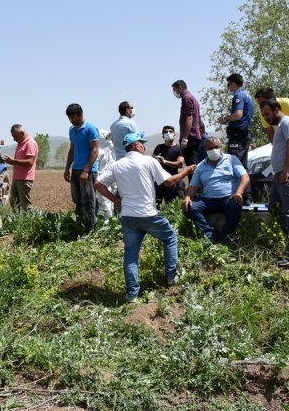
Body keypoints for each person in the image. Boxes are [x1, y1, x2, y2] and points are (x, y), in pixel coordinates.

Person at [94, 132, 196, 302]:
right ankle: (171, 278)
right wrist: (186, 171)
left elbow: (98, 183)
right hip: (147, 214)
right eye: (142, 143)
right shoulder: (148, 161)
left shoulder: (117, 165)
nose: (144, 146)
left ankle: (131, 294)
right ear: (136, 145)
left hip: (128, 216)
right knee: (170, 237)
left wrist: (116, 201)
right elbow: (169, 182)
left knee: (131, 254)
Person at [260, 99, 289, 267]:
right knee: (274, 206)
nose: (266, 118)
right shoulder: (280, 125)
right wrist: (278, 171)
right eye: (263, 115)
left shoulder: (287, 122)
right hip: (281, 173)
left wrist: (285, 170)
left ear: (276, 109)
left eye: (267, 114)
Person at [182, 137, 250, 245]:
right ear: (205, 150)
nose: (213, 150)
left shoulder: (231, 159)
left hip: (228, 198)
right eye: (210, 148)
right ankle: (211, 235)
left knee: (235, 205)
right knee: (189, 207)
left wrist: (239, 192)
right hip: (208, 200)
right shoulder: (200, 166)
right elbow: (192, 187)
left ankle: (226, 236)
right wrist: (187, 197)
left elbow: (245, 177)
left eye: (216, 147)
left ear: (221, 147)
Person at [217, 73, 254, 204]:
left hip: (238, 135)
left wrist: (225, 118)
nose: (228, 87)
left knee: (234, 164)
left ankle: (237, 195)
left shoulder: (239, 96)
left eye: (228, 84)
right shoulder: (247, 95)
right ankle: (246, 196)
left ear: (233, 83)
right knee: (242, 166)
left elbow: (238, 115)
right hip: (244, 134)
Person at [64, 103, 100, 233]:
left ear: (81, 115)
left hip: (88, 170)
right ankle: (80, 225)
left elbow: (95, 150)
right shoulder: (72, 130)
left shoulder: (90, 129)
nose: (71, 120)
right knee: (77, 199)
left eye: (73, 117)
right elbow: (72, 149)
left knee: (88, 201)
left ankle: (90, 230)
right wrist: (67, 168)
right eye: (69, 118)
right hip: (75, 169)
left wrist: (86, 171)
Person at [3, 124, 39, 211]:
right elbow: (18, 161)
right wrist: (11, 161)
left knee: (25, 205)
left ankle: (29, 219)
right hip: (17, 178)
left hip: (25, 179)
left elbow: (30, 162)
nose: (14, 139)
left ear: (22, 133)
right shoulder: (20, 143)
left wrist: (13, 161)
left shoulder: (30, 143)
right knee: (14, 202)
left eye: (15, 136)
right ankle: (16, 219)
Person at [171, 80, 202, 166]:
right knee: (194, 163)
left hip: (190, 136)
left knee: (191, 165)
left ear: (180, 88)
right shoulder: (192, 98)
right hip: (195, 136)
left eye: (175, 89)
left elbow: (189, 118)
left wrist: (185, 138)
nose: (175, 92)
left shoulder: (186, 98)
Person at [152, 125, 185, 205]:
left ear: (174, 134)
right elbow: (152, 161)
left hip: (172, 180)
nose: (168, 133)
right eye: (166, 132)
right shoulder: (159, 147)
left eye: (170, 131)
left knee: (170, 205)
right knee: (156, 204)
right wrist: (156, 160)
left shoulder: (178, 148)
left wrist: (164, 162)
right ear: (163, 136)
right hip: (159, 180)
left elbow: (180, 164)